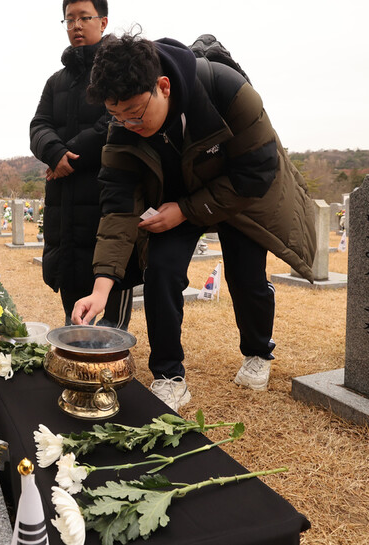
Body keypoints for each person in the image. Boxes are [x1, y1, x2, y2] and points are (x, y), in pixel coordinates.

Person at [72, 33, 316, 410]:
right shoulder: (122, 125)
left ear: (163, 87)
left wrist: (186, 210)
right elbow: (117, 207)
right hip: (174, 200)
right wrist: (101, 288)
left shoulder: (230, 92)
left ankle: (257, 352)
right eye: (118, 117)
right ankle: (169, 374)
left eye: (136, 114)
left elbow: (257, 172)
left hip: (237, 192)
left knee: (247, 274)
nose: (129, 125)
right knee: (162, 272)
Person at [29, 0, 133, 329]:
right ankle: (76, 355)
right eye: (69, 18)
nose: (76, 25)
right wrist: (53, 153)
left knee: (110, 283)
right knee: (71, 282)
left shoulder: (120, 69)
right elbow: (39, 125)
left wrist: (66, 158)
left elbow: (115, 122)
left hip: (106, 192)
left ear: (102, 22)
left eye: (84, 17)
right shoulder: (55, 82)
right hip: (65, 202)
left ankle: (110, 362)